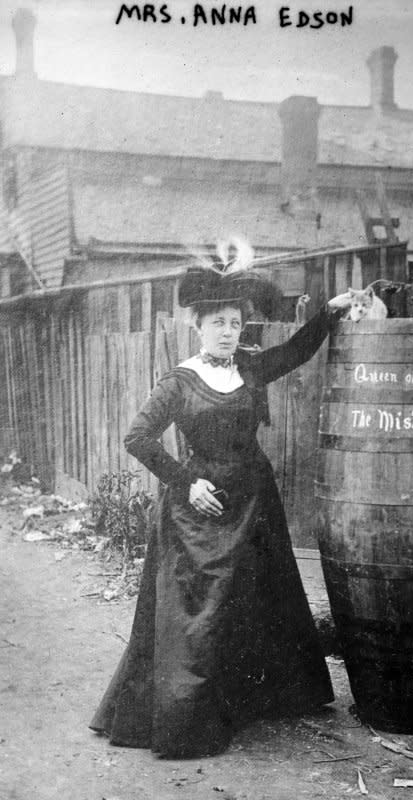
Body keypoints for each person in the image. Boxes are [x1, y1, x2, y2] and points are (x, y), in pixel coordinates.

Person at [90, 267, 351, 758]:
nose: (230, 332)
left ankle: (250, 702)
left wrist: (329, 314)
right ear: (198, 326)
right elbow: (137, 438)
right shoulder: (179, 382)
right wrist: (187, 483)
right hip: (200, 511)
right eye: (219, 323)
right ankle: (188, 719)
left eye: (236, 323)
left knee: (257, 602)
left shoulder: (249, 368)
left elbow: (297, 350)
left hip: (254, 502)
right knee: (200, 616)